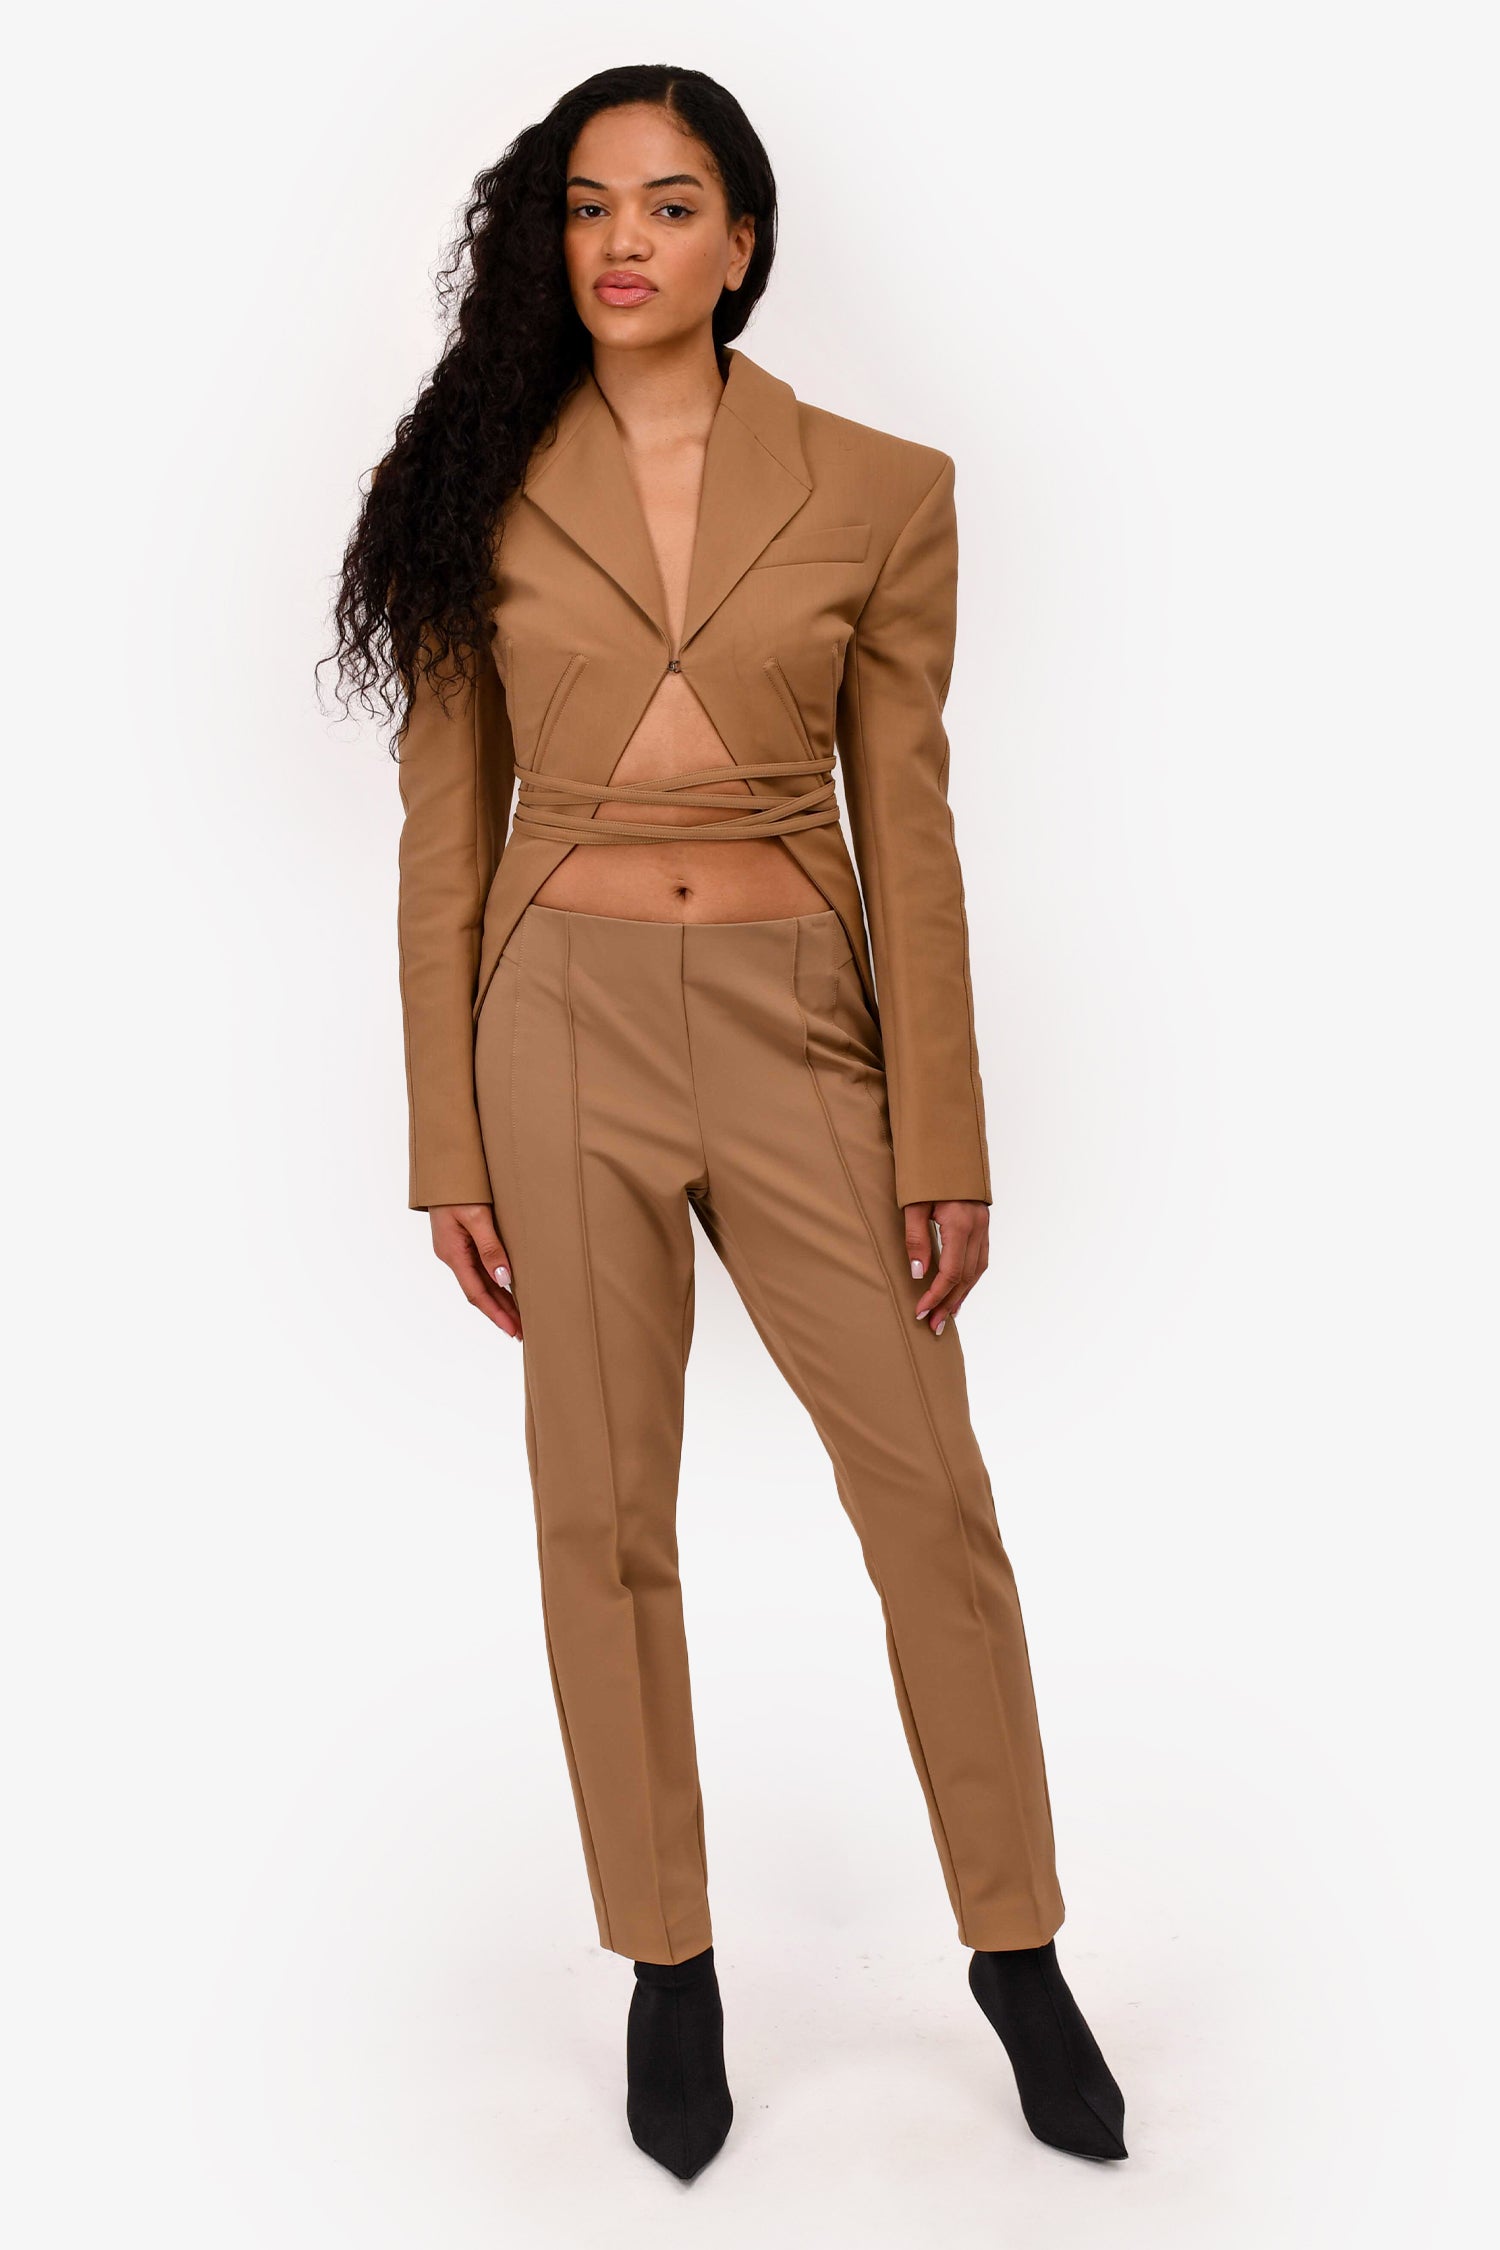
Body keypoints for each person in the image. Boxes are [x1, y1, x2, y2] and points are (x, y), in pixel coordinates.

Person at [328, 63, 1128, 2182]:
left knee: (929, 1499)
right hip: (557, 1029)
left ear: (743, 243)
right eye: (591, 205)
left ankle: (1018, 1950)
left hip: (802, 1028)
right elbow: (442, 835)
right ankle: (665, 1963)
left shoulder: (881, 488)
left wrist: (945, 1137)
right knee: (601, 1513)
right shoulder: (470, 483)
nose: (625, 241)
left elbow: (912, 830)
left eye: (671, 205)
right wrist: (445, 1146)